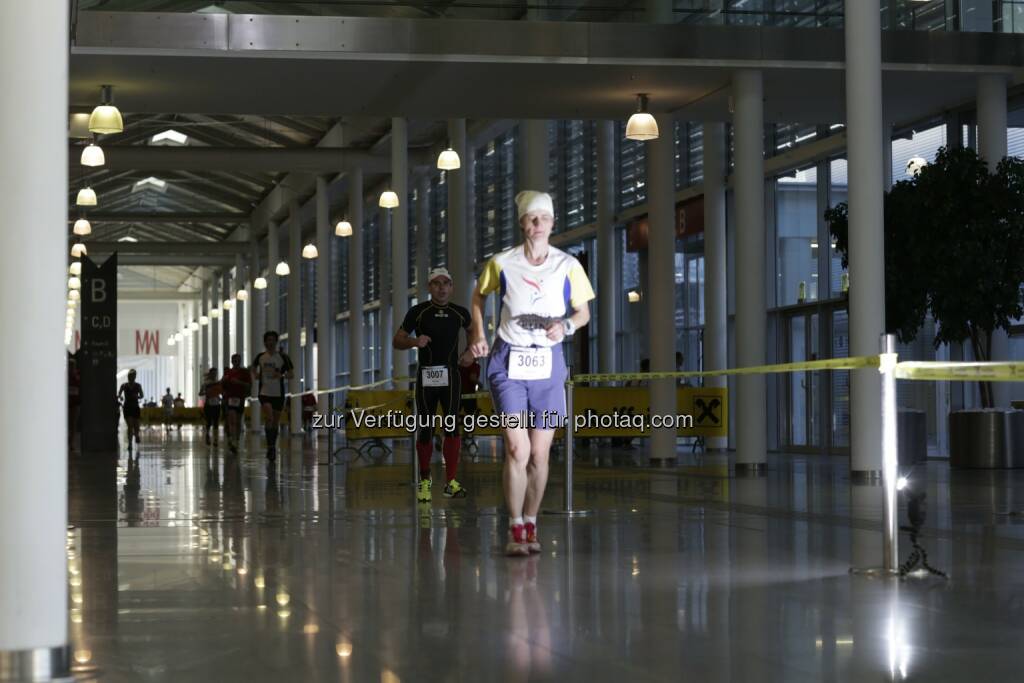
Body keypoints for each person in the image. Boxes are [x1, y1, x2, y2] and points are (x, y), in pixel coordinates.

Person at [469, 190, 595, 556]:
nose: (538, 225)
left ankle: (531, 521)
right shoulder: (502, 263)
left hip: (549, 364)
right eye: (532, 218)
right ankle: (514, 527)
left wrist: (566, 328)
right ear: (522, 222)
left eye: (544, 218)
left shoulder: (568, 265)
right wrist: (478, 332)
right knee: (515, 447)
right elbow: (478, 296)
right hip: (508, 361)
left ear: (553, 223)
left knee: (540, 454)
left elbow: (583, 313)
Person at [393, 267, 475, 502]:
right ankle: (425, 481)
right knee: (426, 428)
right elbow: (397, 340)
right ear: (429, 287)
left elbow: (473, 331)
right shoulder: (418, 312)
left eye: (446, 283)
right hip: (426, 377)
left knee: (452, 426)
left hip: (451, 376)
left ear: (452, 287)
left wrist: (471, 352)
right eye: (436, 283)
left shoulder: (460, 313)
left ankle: (450, 481)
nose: (441, 288)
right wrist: (413, 341)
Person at [252, 330, 294, 461]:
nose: (270, 342)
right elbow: (253, 368)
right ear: (265, 342)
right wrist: (256, 375)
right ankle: (270, 446)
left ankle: (272, 446)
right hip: (264, 393)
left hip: (278, 394)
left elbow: (291, 374)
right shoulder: (260, 357)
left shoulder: (283, 357)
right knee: (269, 418)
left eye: (272, 340)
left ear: (276, 342)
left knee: (275, 422)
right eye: (267, 340)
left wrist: (281, 375)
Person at [220, 354, 252, 454]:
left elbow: (249, 385)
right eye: (234, 360)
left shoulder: (244, 372)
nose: (236, 362)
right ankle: (232, 440)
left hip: (240, 399)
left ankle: (236, 440)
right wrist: (223, 382)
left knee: (238, 421)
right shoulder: (228, 372)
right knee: (232, 419)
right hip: (229, 398)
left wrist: (239, 382)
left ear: (240, 361)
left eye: (238, 360)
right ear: (231, 361)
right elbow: (222, 385)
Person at [117, 369, 144, 449]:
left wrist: (137, 396)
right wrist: (120, 397)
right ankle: (129, 444)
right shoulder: (124, 385)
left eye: (132, 376)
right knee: (130, 425)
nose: (131, 377)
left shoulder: (138, 386)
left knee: (136, 425)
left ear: (135, 377)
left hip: (135, 407)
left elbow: (142, 395)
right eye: (129, 376)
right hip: (127, 407)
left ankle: (136, 435)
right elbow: (119, 394)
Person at [200, 368, 222, 446]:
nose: (214, 375)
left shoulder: (218, 383)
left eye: (215, 373)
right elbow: (200, 393)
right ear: (210, 374)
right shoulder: (206, 383)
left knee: (216, 422)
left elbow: (221, 392)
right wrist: (206, 392)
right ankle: (207, 436)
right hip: (208, 404)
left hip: (217, 404)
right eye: (213, 373)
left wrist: (219, 396)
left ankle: (215, 440)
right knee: (209, 422)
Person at [68, 353, 81, 451]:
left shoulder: (78, 375)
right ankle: (69, 441)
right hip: (67, 403)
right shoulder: (64, 376)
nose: (71, 367)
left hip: (75, 402)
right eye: (69, 365)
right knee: (68, 423)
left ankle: (71, 443)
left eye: (72, 365)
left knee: (73, 423)